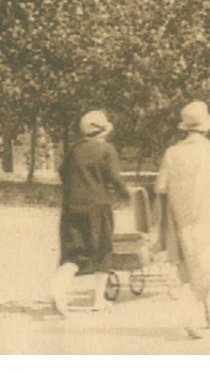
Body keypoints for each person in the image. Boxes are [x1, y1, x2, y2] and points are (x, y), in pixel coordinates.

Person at [157, 100, 210, 338]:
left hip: (182, 221)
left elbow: (161, 187)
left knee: (194, 265)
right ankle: (192, 318)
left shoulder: (172, 153)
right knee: (209, 265)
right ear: (206, 127)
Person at [51, 110, 131, 316]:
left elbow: (62, 173)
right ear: (103, 130)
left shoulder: (74, 150)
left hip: (72, 207)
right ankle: (98, 299)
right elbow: (114, 177)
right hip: (98, 206)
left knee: (73, 253)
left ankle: (59, 288)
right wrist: (126, 193)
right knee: (103, 250)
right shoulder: (106, 149)